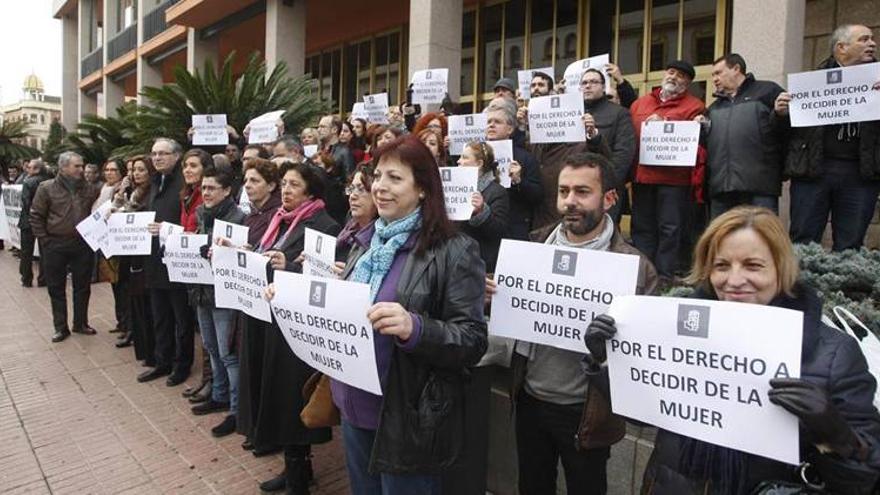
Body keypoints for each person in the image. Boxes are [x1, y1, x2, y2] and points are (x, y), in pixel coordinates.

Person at [585, 206, 880, 494]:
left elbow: (862, 478)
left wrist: (834, 433)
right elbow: (647, 415)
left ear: (781, 268)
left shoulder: (833, 354)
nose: (734, 281)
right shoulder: (676, 333)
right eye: (722, 265)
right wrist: (610, 363)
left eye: (753, 265)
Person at [324, 135, 486, 494]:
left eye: (394, 178)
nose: (379, 187)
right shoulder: (364, 244)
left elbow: (472, 340)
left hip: (408, 420)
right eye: (378, 176)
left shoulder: (455, 251)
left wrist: (415, 328)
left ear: (424, 189)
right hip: (355, 409)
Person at [505, 152, 656, 495]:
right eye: (563, 191)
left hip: (587, 412)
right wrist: (496, 298)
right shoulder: (532, 246)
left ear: (610, 198)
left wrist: (607, 350)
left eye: (582, 192)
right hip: (529, 398)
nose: (570, 201)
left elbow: (641, 359)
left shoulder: (635, 268)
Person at [252, 161, 340, 494]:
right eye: (284, 184)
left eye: (293, 185)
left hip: (301, 328)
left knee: (293, 400)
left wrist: (286, 266)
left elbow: (321, 280)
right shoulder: (280, 221)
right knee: (279, 395)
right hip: (276, 319)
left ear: (310, 191)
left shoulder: (324, 225)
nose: (285, 191)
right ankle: (292, 468)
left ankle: (300, 477)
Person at [780, 24, 880, 251]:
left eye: (872, 39)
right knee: (803, 239)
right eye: (864, 39)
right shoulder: (811, 82)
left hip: (860, 174)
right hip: (813, 171)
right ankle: (801, 285)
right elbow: (786, 134)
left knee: (851, 243)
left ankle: (845, 287)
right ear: (841, 48)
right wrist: (780, 114)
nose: (872, 44)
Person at [629, 60, 706, 282]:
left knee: (669, 228)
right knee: (642, 226)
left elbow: (697, 140)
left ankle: (663, 276)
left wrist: (666, 123)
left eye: (681, 75)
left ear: (688, 82)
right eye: (671, 72)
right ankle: (642, 274)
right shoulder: (640, 104)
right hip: (642, 177)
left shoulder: (695, 106)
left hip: (674, 180)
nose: (674, 77)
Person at [190, 166, 246, 438]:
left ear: (227, 191)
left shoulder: (238, 218)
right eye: (203, 188)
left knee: (227, 353)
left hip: (224, 294)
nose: (206, 193)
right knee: (211, 346)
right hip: (203, 289)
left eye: (212, 188)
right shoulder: (202, 213)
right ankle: (219, 394)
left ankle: (236, 411)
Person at [699, 53, 786, 218]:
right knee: (721, 239)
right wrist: (699, 129)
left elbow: (787, 131)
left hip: (760, 187)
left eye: (718, 73)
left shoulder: (768, 91)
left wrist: (780, 115)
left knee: (762, 238)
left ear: (736, 69)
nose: (714, 79)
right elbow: (707, 146)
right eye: (713, 75)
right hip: (721, 189)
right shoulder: (713, 108)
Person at [235, 158, 282, 459]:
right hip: (249, 301)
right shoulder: (251, 216)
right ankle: (254, 428)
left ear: (270, 185)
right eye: (246, 181)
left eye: (254, 181)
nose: (248, 186)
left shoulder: (276, 217)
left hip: (267, 305)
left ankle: (267, 433)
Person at [139, 138, 195, 386]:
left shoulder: (185, 184)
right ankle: (163, 361)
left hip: (177, 261)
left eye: (163, 153)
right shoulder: (155, 182)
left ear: (176, 156)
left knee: (181, 318)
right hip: (154, 260)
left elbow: (190, 224)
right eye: (154, 154)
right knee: (160, 316)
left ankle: (182, 365)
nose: (157, 158)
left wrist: (166, 229)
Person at [29, 151, 100, 343]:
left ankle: (80, 323)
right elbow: (36, 216)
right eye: (77, 166)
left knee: (82, 286)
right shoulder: (46, 188)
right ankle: (61, 327)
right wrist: (45, 241)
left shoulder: (90, 188)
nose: (81, 169)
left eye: (82, 165)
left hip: (82, 245)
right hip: (55, 244)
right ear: (63, 167)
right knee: (56, 287)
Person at [579, 68, 636, 224]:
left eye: (593, 82)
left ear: (604, 87)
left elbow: (624, 154)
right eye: (584, 83)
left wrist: (607, 184)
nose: (588, 86)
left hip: (605, 189)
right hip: (576, 185)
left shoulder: (620, 113)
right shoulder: (571, 113)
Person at [111, 155, 155, 352]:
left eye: (140, 169)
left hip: (147, 257)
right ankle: (134, 333)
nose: (135, 174)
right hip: (130, 255)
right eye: (133, 170)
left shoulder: (152, 193)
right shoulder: (132, 193)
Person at [485, 98, 543, 240]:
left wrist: (518, 181)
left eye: (497, 122)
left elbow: (537, 196)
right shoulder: (475, 155)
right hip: (482, 229)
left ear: (510, 129)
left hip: (513, 231)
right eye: (489, 122)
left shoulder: (525, 158)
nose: (491, 125)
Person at [456, 141, 510, 272]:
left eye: (464, 157)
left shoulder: (497, 192)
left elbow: (499, 231)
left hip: (479, 264)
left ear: (479, 164)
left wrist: (482, 211)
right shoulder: (454, 189)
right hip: (455, 260)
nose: (458, 161)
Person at [94, 159, 128, 335]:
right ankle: (120, 321)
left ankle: (126, 324)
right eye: (106, 169)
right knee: (114, 285)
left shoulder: (122, 190)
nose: (109, 173)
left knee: (122, 286)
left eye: (113, 170)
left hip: (120, 245)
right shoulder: (104, 189)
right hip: (106, 244)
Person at [19, 158, 51, 288]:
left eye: (30, 167)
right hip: (44, 221)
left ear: (36, 169)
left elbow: (26, 202)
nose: (27, 169)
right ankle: (43, 279)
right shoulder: (49, 182)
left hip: (28, 221)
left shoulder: (28, 182)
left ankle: (26, 278)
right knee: (45, 252)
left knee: (26, 252)